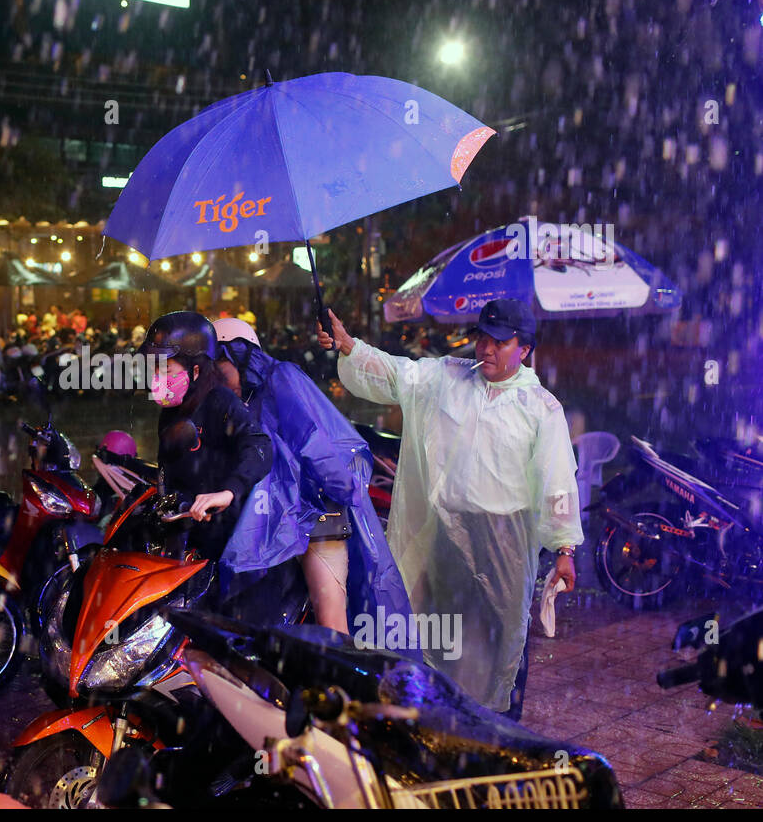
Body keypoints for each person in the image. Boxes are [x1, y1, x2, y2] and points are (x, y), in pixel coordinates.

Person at [318, 298, 582, 718]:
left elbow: (557, 483)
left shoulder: (541, 409)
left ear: (525, 349)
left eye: (500, 342)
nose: (486, 349)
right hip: (445, 537)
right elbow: (397, 374)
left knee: (500, 641)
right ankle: (444, 723)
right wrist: (351, 347)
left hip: (503, 547)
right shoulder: (447, 379)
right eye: (482, 338)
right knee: (444, 636)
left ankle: (499, 729)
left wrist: (564, 549)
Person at [213, 318, 413, 637]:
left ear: (239, 355)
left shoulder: (280, 378)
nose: (217, 379)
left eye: (220, 367)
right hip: (268, 521)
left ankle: (339, 681)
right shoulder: (229, 404)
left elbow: (312, 440)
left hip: (316, 516)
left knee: (331, 623)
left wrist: (345, 489)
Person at [140, 312, 272, 568]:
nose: (157, 377)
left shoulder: (220, 401)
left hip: (223, 536)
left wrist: (227, 491)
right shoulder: (171, 409)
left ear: (196, 370)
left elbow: (259, 445)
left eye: (165, 369)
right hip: (183, 529)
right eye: (154, 369)